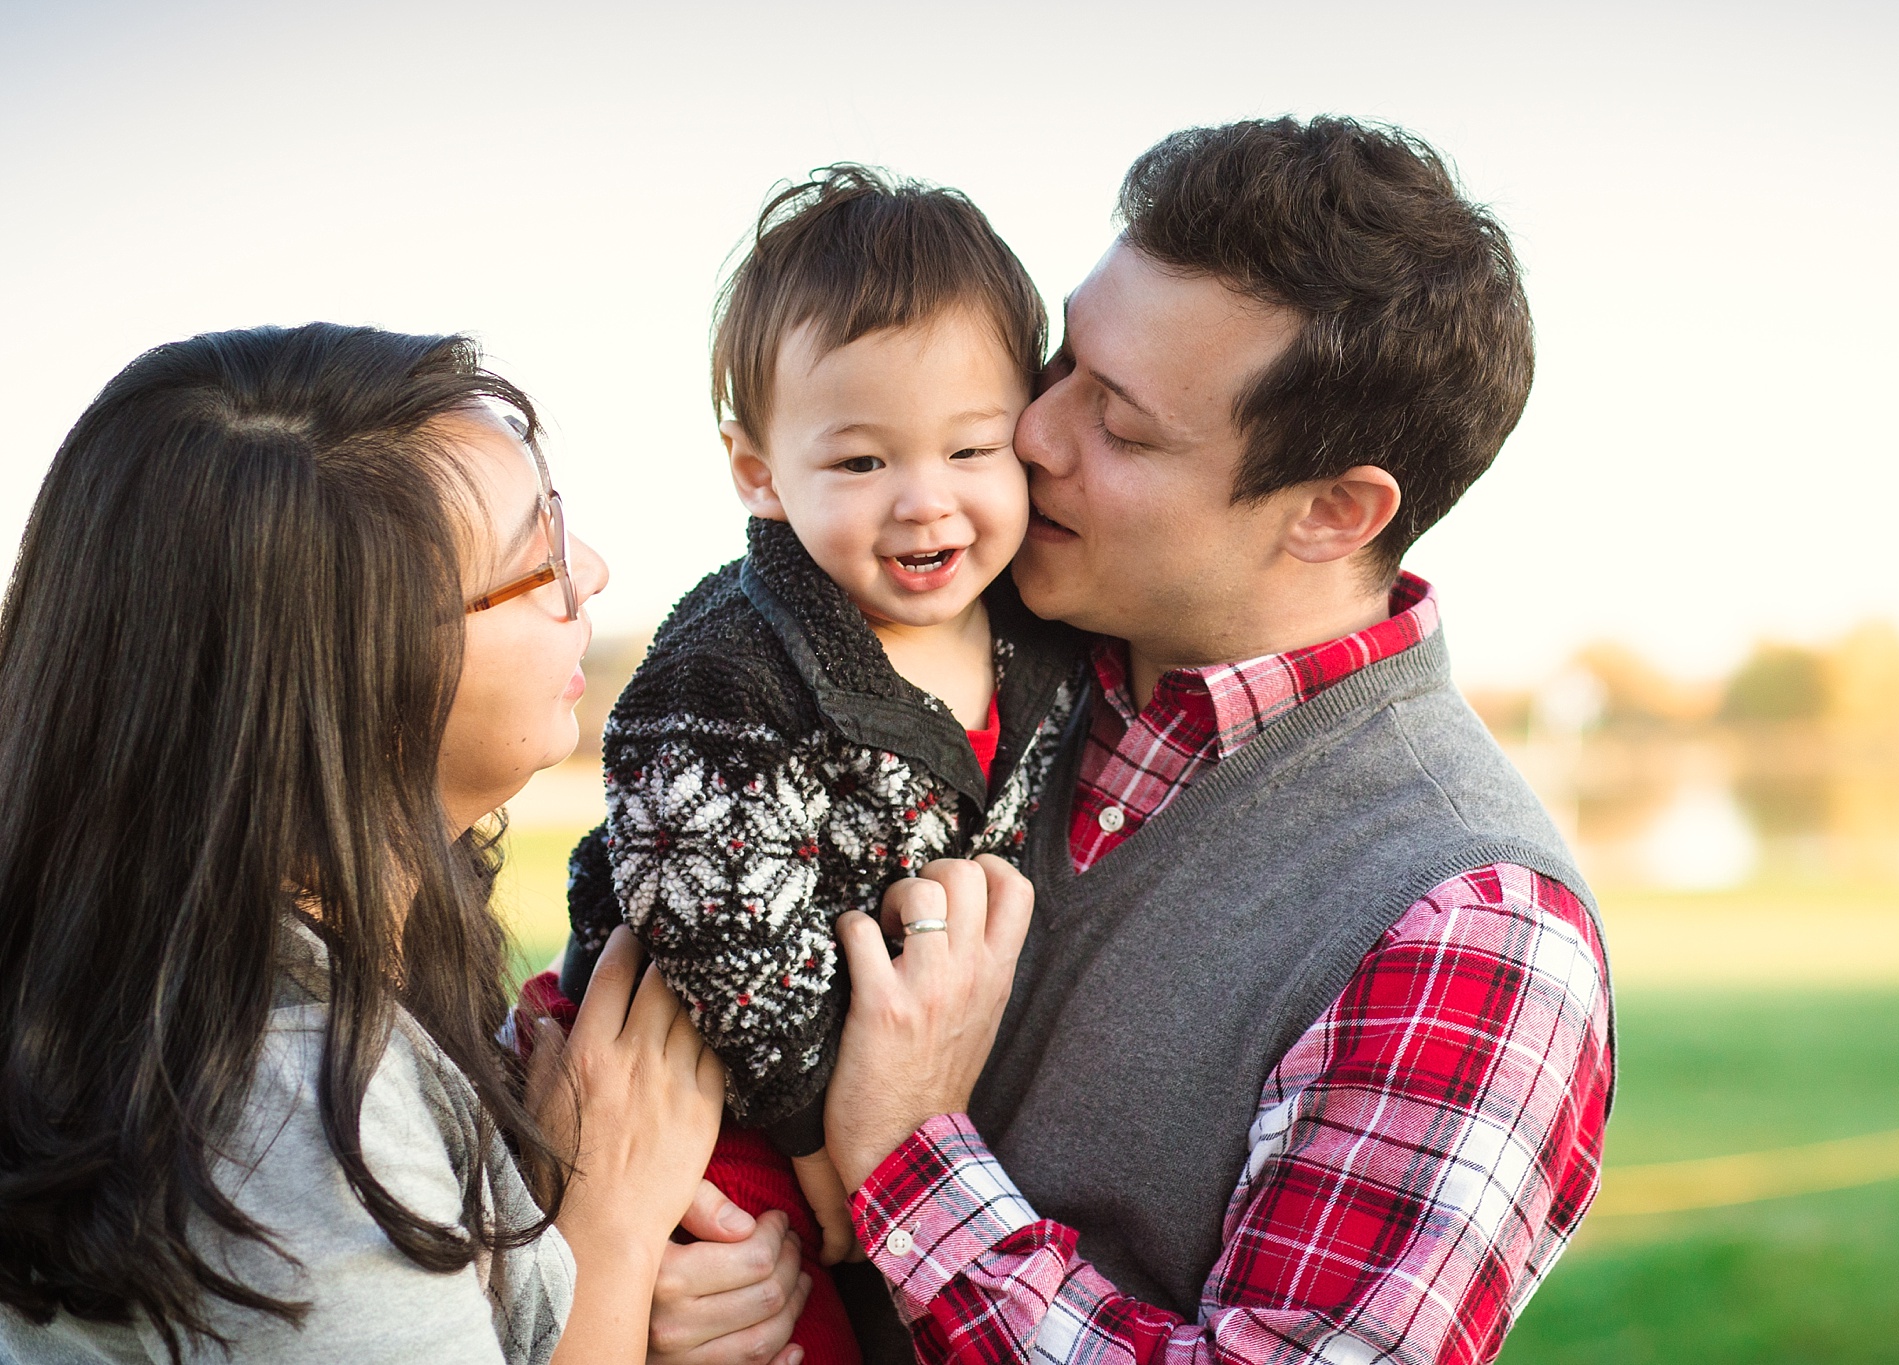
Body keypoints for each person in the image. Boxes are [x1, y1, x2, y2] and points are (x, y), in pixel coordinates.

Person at [820, 116, 1617, 1365]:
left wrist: (907, 1165)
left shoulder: (1467, 922)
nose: (1032, 434)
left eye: (1121, 427)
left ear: (1330, 512)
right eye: (1059, 363)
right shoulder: (937, 645)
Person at [0, 324, 806, 1364]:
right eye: (539, 558)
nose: (591, 572)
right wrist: (609, 1234)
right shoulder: (294, 1130)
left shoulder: (237, 990)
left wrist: (602, 1300)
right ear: (352, 673)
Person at [544, 165, 1082, 1364]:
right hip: (716, 1108)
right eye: (860, 465)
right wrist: (823, 1152)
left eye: (969, 449)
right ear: (756, 472)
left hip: (895, 1104)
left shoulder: (1038, 630)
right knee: (781, 1332)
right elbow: (717, 922)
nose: (924, 502)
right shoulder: (730, 669)